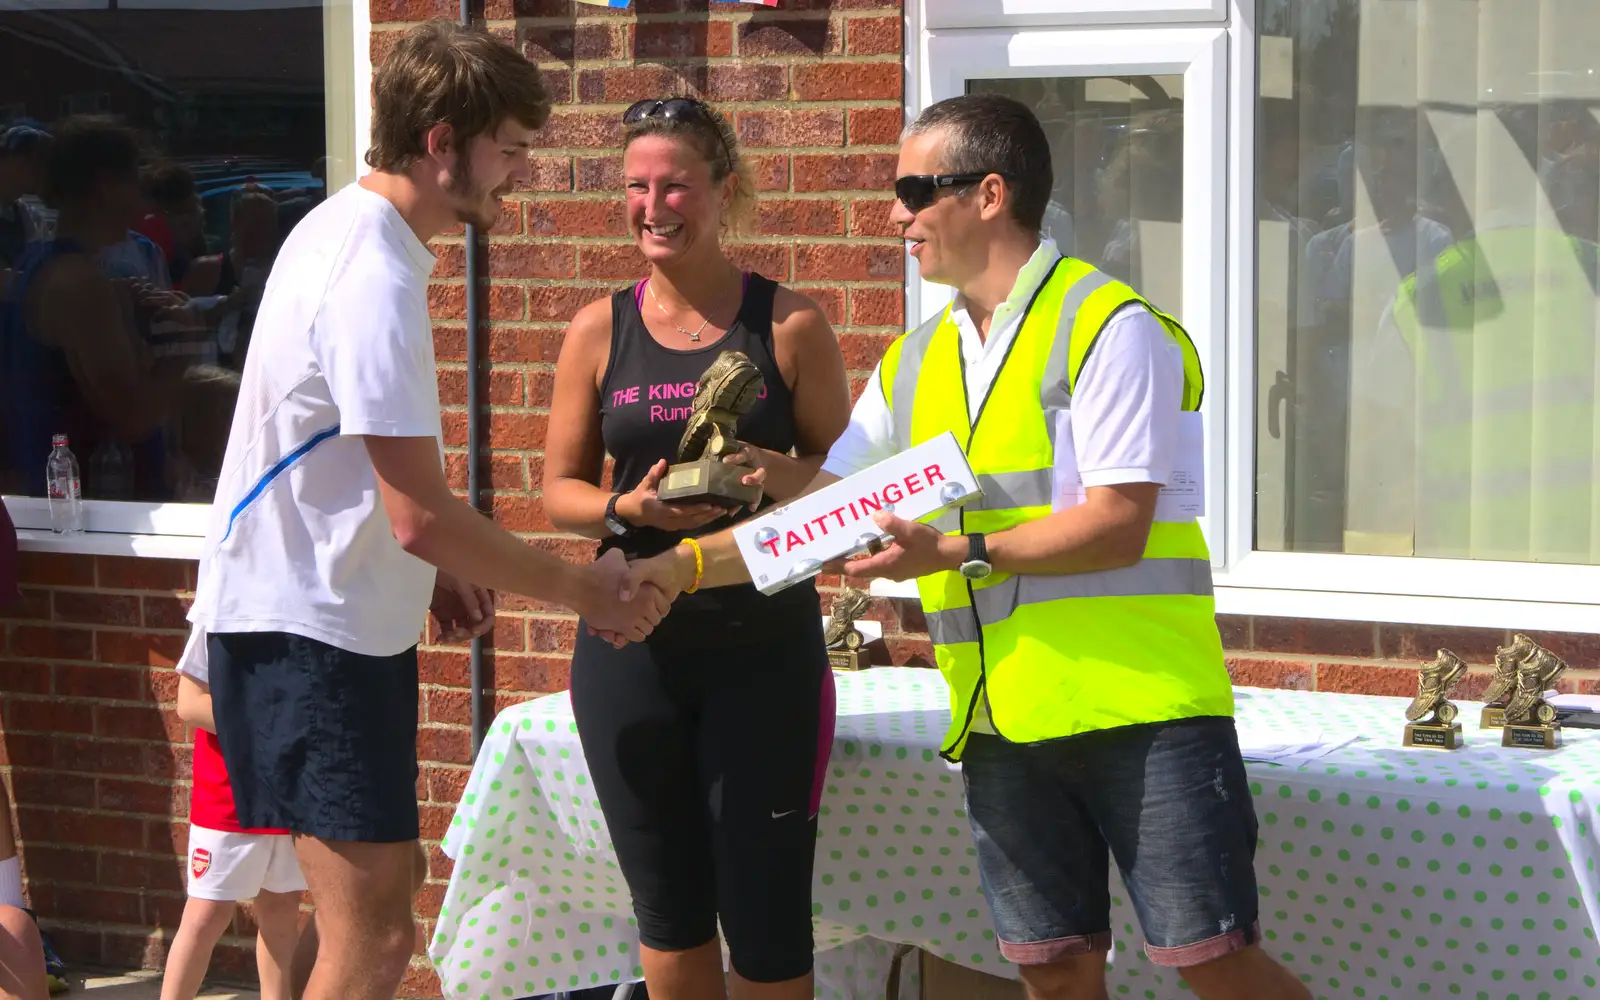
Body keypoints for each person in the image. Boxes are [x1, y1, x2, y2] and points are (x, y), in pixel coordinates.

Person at [624, 94, 1312, 1000]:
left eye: (915, 187)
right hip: (1000, 722)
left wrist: (954, 554)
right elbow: (833, 508)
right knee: (1055, 976)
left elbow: (1120, 522)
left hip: (1142, 713)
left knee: (1216, 967)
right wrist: (687, 556)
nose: (896, 212)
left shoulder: (1110, 326)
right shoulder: (916, 359)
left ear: (990, 194)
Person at [178, 22, 670, 1000]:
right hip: (309, 637)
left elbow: (348, 467)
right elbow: (421, 513)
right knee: (372, 940)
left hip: (304, 626)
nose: (520, 174)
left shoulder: (338, 232)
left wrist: (431, 567)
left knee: (371, 916)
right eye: (512, 149)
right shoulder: (374, 272)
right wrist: (584, 590)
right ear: (444, 142)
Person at [542, 97, 851, 1000]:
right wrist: (621, 505)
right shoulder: (599, 328)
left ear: (723, 190)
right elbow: (558, 489)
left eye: (674, 185)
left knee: (765, 913)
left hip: (763, 643)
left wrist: (768, 472)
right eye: (636, 187)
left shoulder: (790, 325)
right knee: (668, 910)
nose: (653, 206)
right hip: (632, 640)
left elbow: (848, 487)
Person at [164, 667, 307, 1000]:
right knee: (207, 913)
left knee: (281, 911)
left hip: (289, 788)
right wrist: (272, 724)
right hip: (227, 793)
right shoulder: (215, 616)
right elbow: (189, 702)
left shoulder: (307, 615)